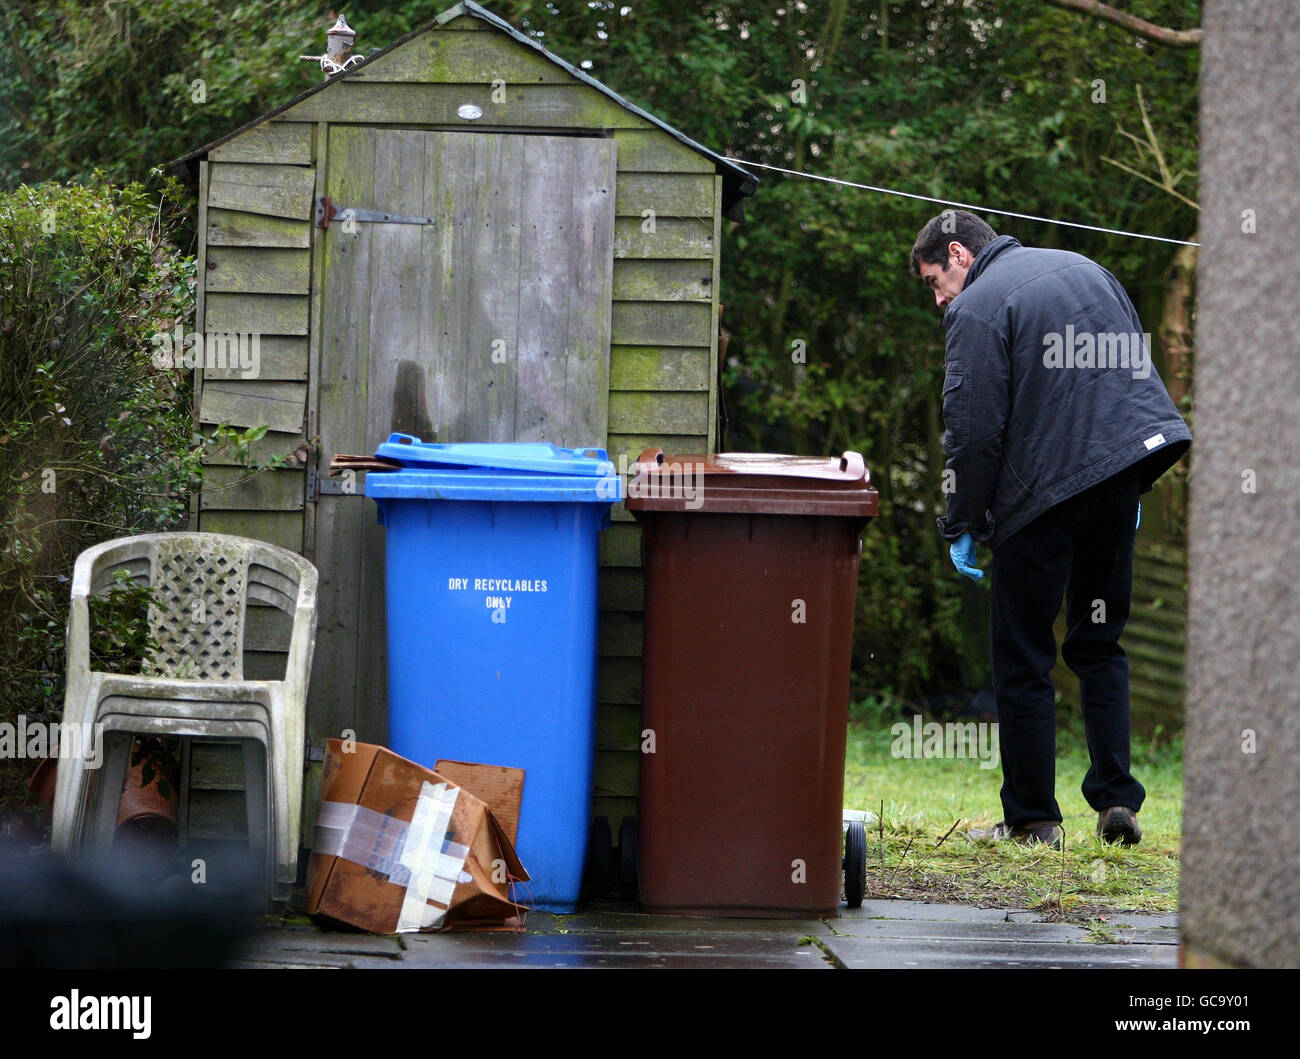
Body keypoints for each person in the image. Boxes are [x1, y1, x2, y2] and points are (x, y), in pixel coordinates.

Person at [911, 210, 1191, 849]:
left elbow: (975, 429)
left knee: (1024, 656)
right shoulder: (1087, 270)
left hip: (1042, 500)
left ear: (959, 253)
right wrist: (1134, 484)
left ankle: (1034, 820)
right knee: (1099, 645)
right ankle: (1117, 801)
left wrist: (962, 520)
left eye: (933, 281)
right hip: (1118, 481)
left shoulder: (977, 305)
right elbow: (1129, 383)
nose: (937, 299)